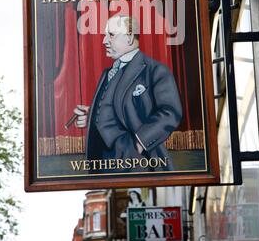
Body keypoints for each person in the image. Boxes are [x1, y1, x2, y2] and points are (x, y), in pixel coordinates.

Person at [74, 15, 182, 173]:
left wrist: (138, 143)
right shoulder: (107, 73)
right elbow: (113, 107)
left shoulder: (155, 71)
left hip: (137, 164)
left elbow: (170, 112)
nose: (104, 41)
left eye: (111, 35)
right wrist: (92, 115)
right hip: (102, 167)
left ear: (130, 38)